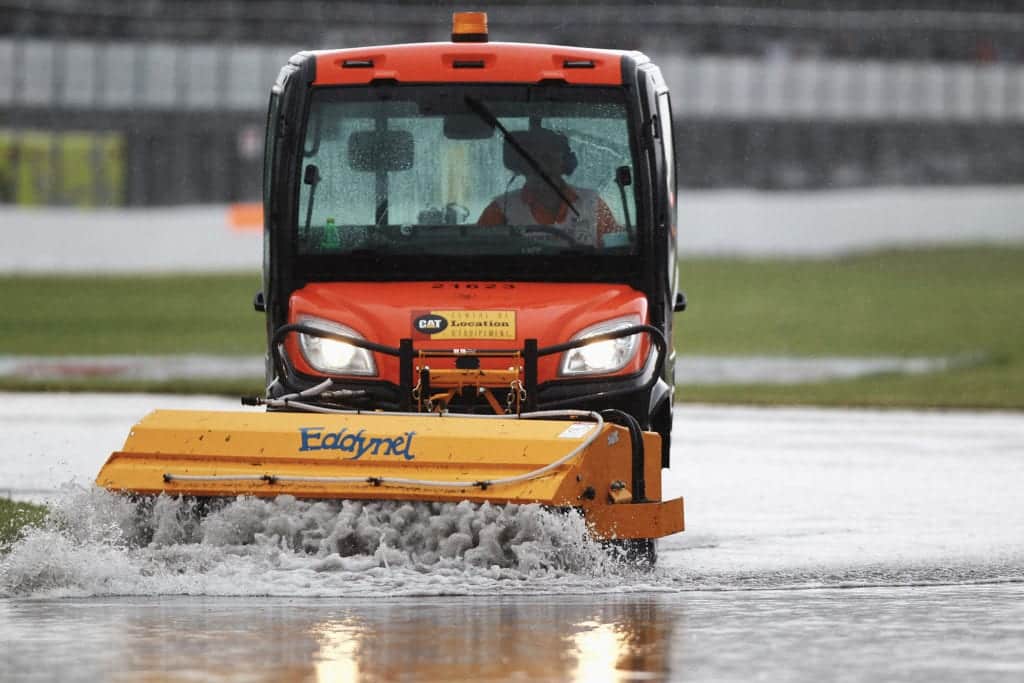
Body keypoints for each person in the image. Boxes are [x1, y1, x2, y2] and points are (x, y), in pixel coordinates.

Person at [477, 128, 626, 248]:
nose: (542, 167)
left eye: (548, 158)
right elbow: (481, 259)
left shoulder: (593, 205)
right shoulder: (500, 210)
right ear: (521, 165)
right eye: (533, 159)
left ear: (565, 163)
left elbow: (617, 255)